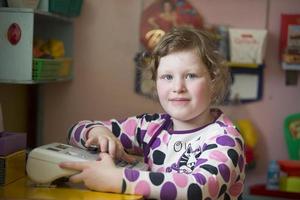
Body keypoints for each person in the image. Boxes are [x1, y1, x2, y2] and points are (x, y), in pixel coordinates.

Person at [60, 27, 246, 200]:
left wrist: (119, 179)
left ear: (212, 80)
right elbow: (74, 131)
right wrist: (99, 133)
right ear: (156, 82)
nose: (178, 87)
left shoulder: (225, 138)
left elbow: (200, 187)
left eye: (191, 76)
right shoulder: (149, 127)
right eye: (167, 77)